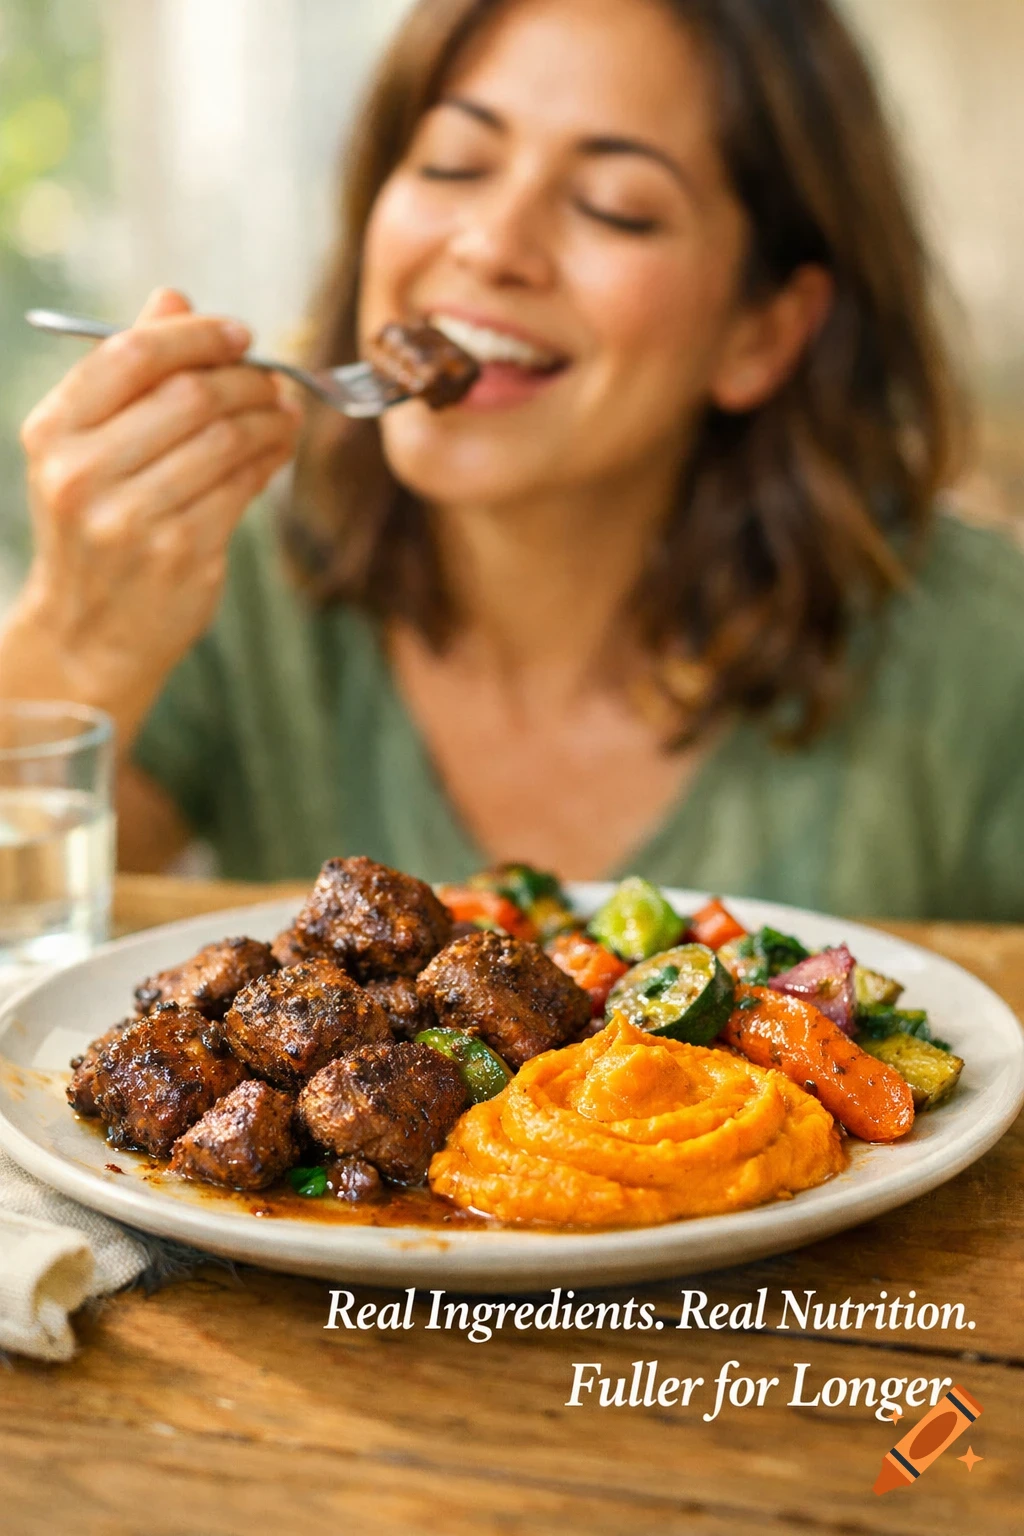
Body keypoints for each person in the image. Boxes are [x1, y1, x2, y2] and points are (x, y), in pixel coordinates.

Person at [2, 0, 1022, 919]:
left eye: (615, 205)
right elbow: (25, 924)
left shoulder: (982, 652)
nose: (490, 245)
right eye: (452, 164)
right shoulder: (235, 573)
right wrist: (83, 636)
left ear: (763, 331)